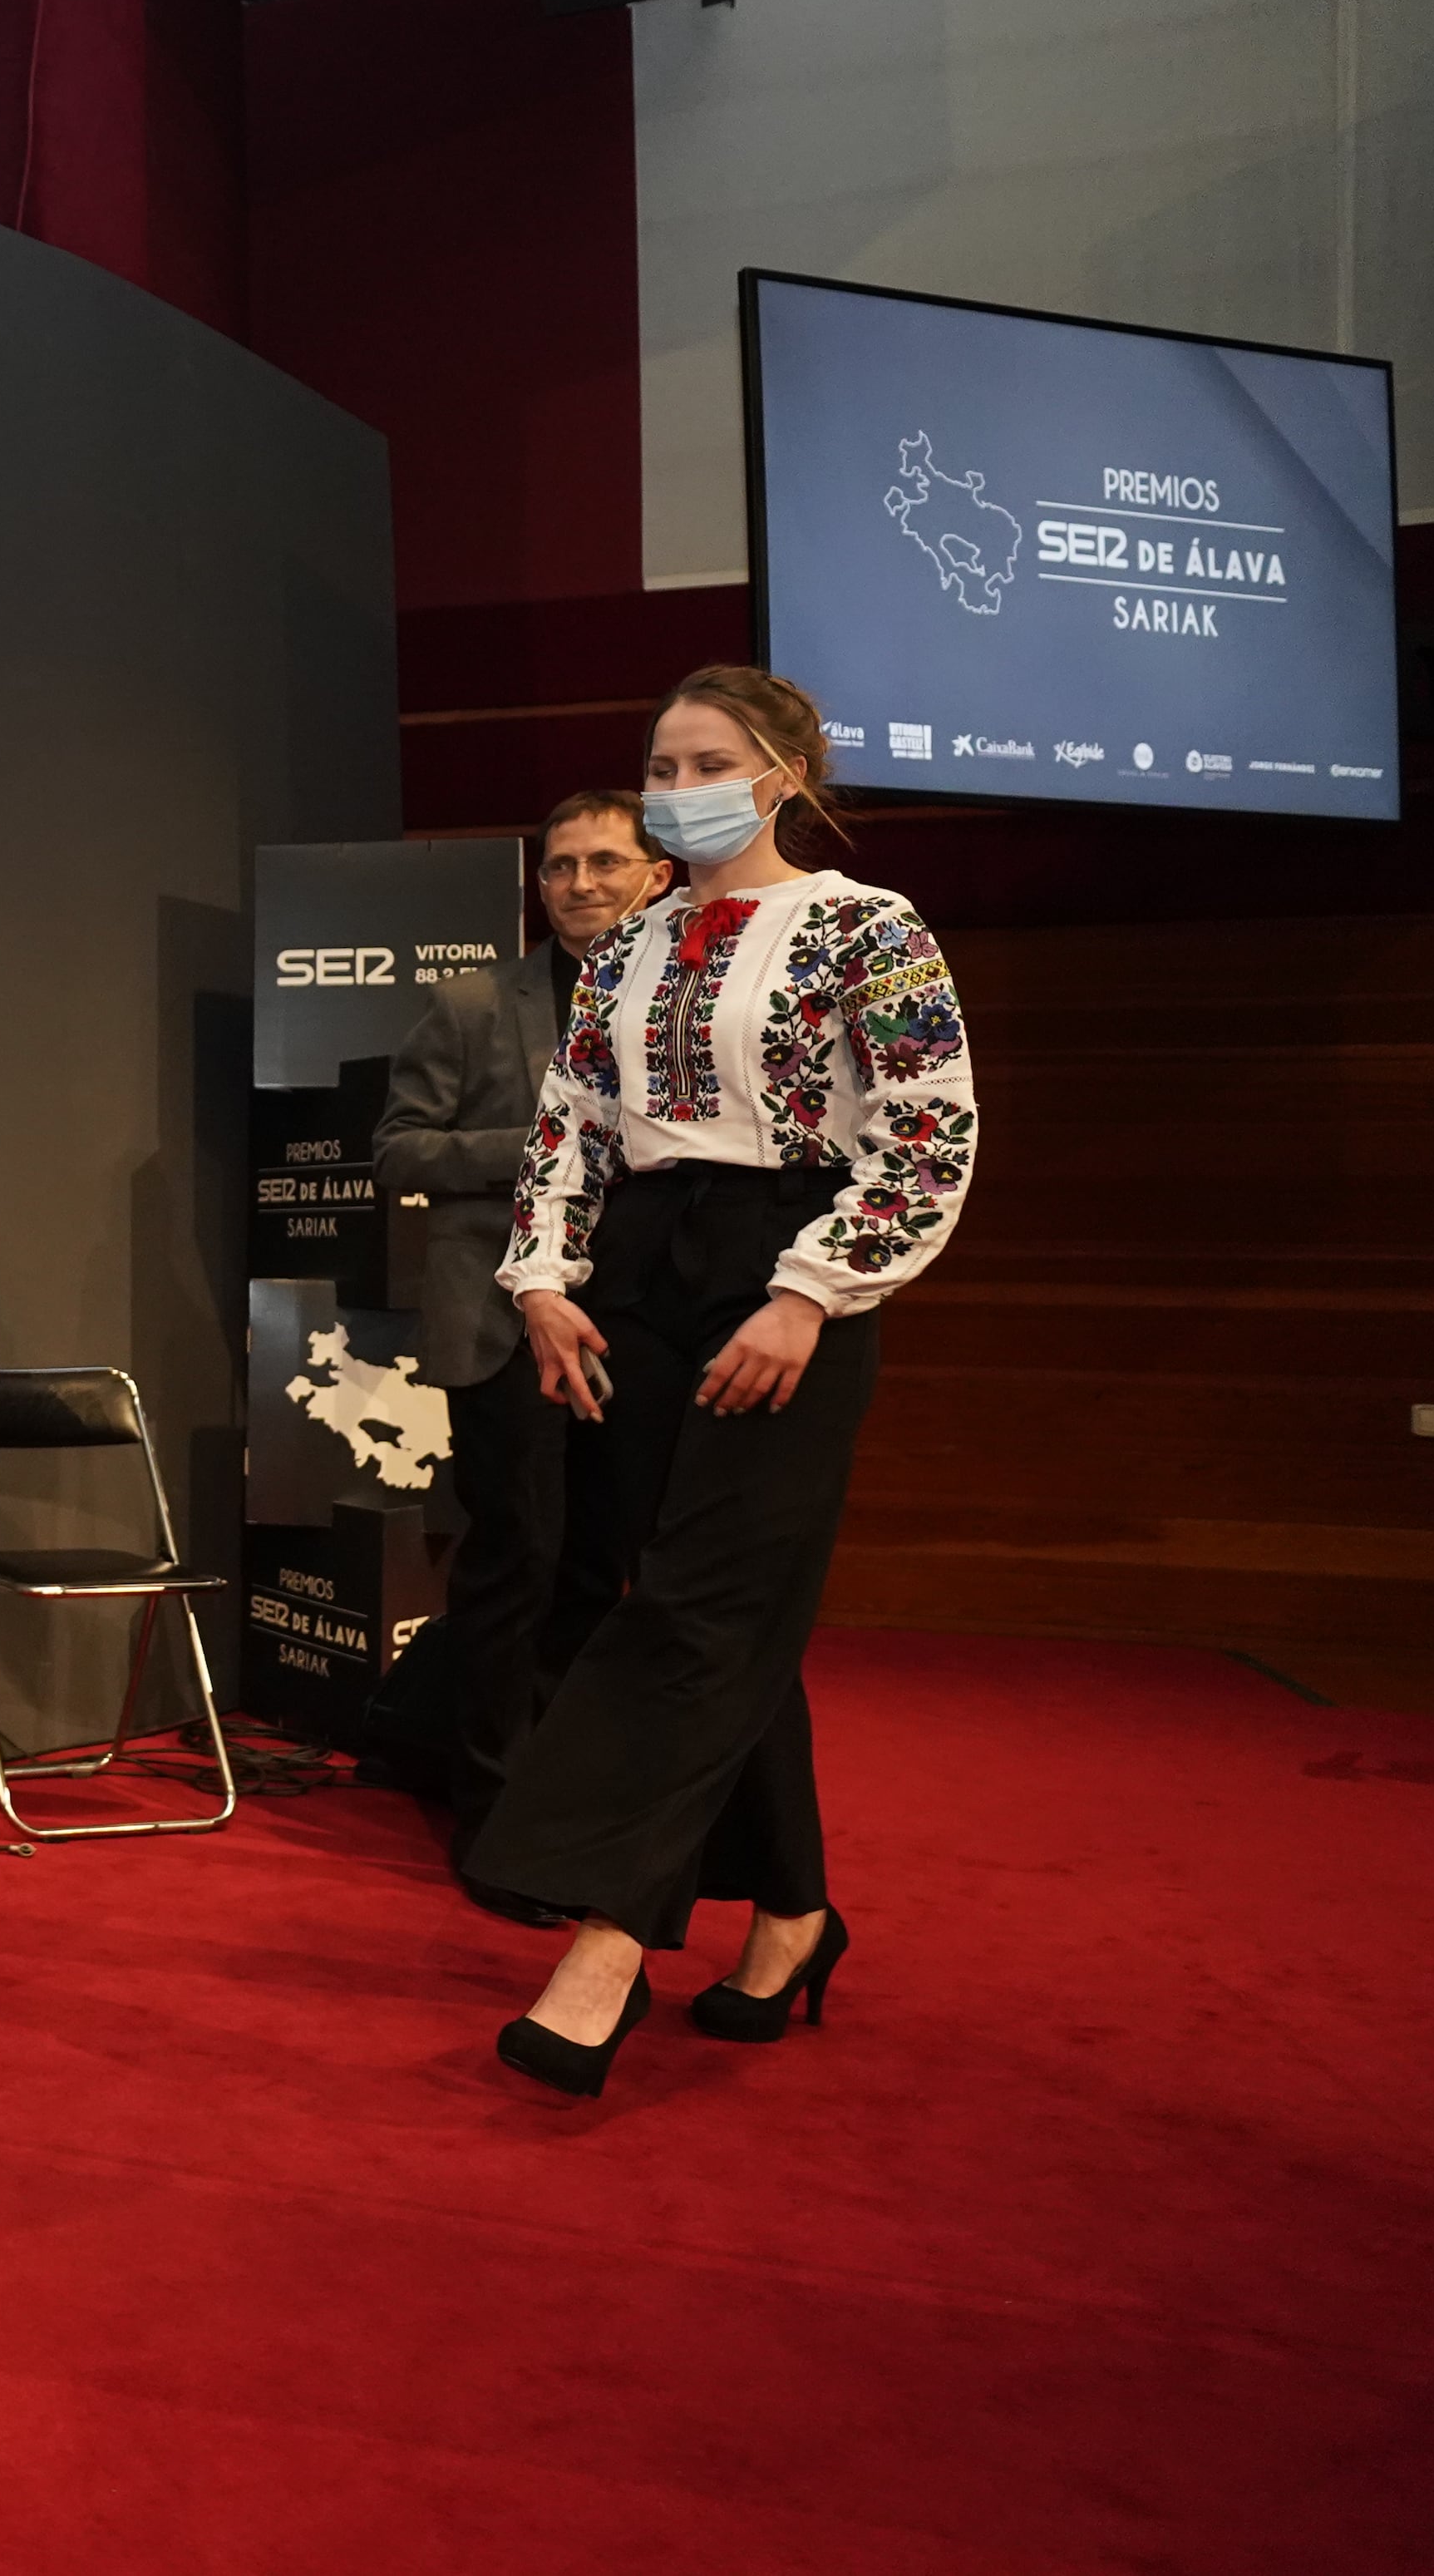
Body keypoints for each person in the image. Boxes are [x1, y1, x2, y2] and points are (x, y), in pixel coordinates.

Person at [466, 666, 978, 2098]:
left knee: (701, 1608)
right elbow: (567, 1124)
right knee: (699, 1605)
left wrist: (811, 1293)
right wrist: (547, 1282)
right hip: (636, 1278)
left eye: (703, 757)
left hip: (790, 1265)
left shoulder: (870, 927)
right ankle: (796, 1913)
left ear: (784, 773)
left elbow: (928, 1134)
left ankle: (606, 1940)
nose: (672, 782)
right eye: (657, 760)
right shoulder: (626, 947)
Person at [367, 792, 669, 1910]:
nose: (581, 882)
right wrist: (551, 1137)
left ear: (656, 875)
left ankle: (570, 1804)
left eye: (605, 862)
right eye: (560, 867)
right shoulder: (469, 1003)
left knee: (600, 1573)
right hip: (505, 1332)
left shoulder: (682, 1001)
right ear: (536, 886)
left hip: (639, 1331)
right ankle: (492, 1819)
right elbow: (397, 1147)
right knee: (518, 1568)